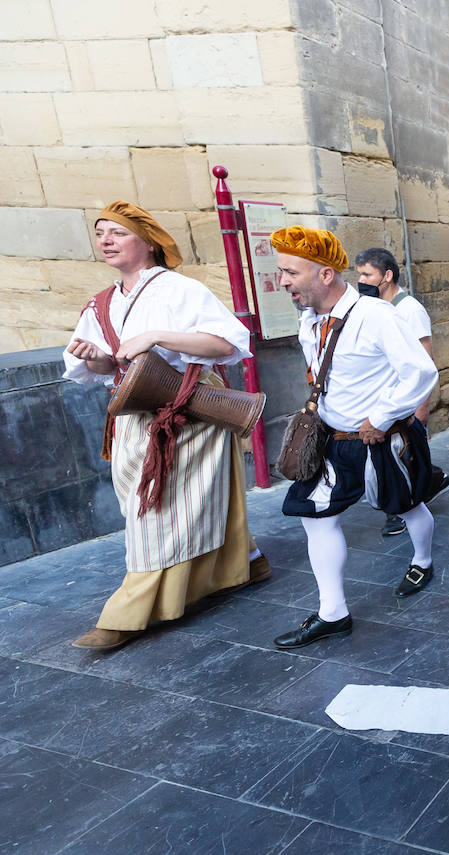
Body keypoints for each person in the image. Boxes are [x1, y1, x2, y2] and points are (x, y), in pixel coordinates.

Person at [63, 202, 267, 651]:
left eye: (118, 232)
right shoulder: (102, 303)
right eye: (100, 233)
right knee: (168, 510)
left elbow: (230, 342)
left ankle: (127, 613)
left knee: (155, 516)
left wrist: (158, 336)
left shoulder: (178, 289)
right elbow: (104, 368)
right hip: (134, 417)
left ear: (149, 242)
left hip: (188, 412)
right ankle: (247, 562)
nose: (106, 240)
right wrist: (96, 359)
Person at [273, 226, 439, 649]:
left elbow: (421, 372)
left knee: (406, 505)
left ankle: (422, 559)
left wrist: (381, 417)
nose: (283, 281)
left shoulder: (378, 316)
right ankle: (333, 613)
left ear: (325, 274)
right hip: (332, 440)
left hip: (380, 439)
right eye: (282, 271)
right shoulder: (309, 321)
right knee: (314, 514)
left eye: (291, 272)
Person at [354, 247, 449, 538]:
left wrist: (422, 408)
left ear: (386, 276)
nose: (361, 280)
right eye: (359, 274)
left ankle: (403, 508)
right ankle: (426, 486)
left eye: (366, 274)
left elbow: (426, 360)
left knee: (402, 456)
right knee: (394, 456)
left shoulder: (409, 309)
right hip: (384, 399)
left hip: (405, 402)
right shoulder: (371, 308)